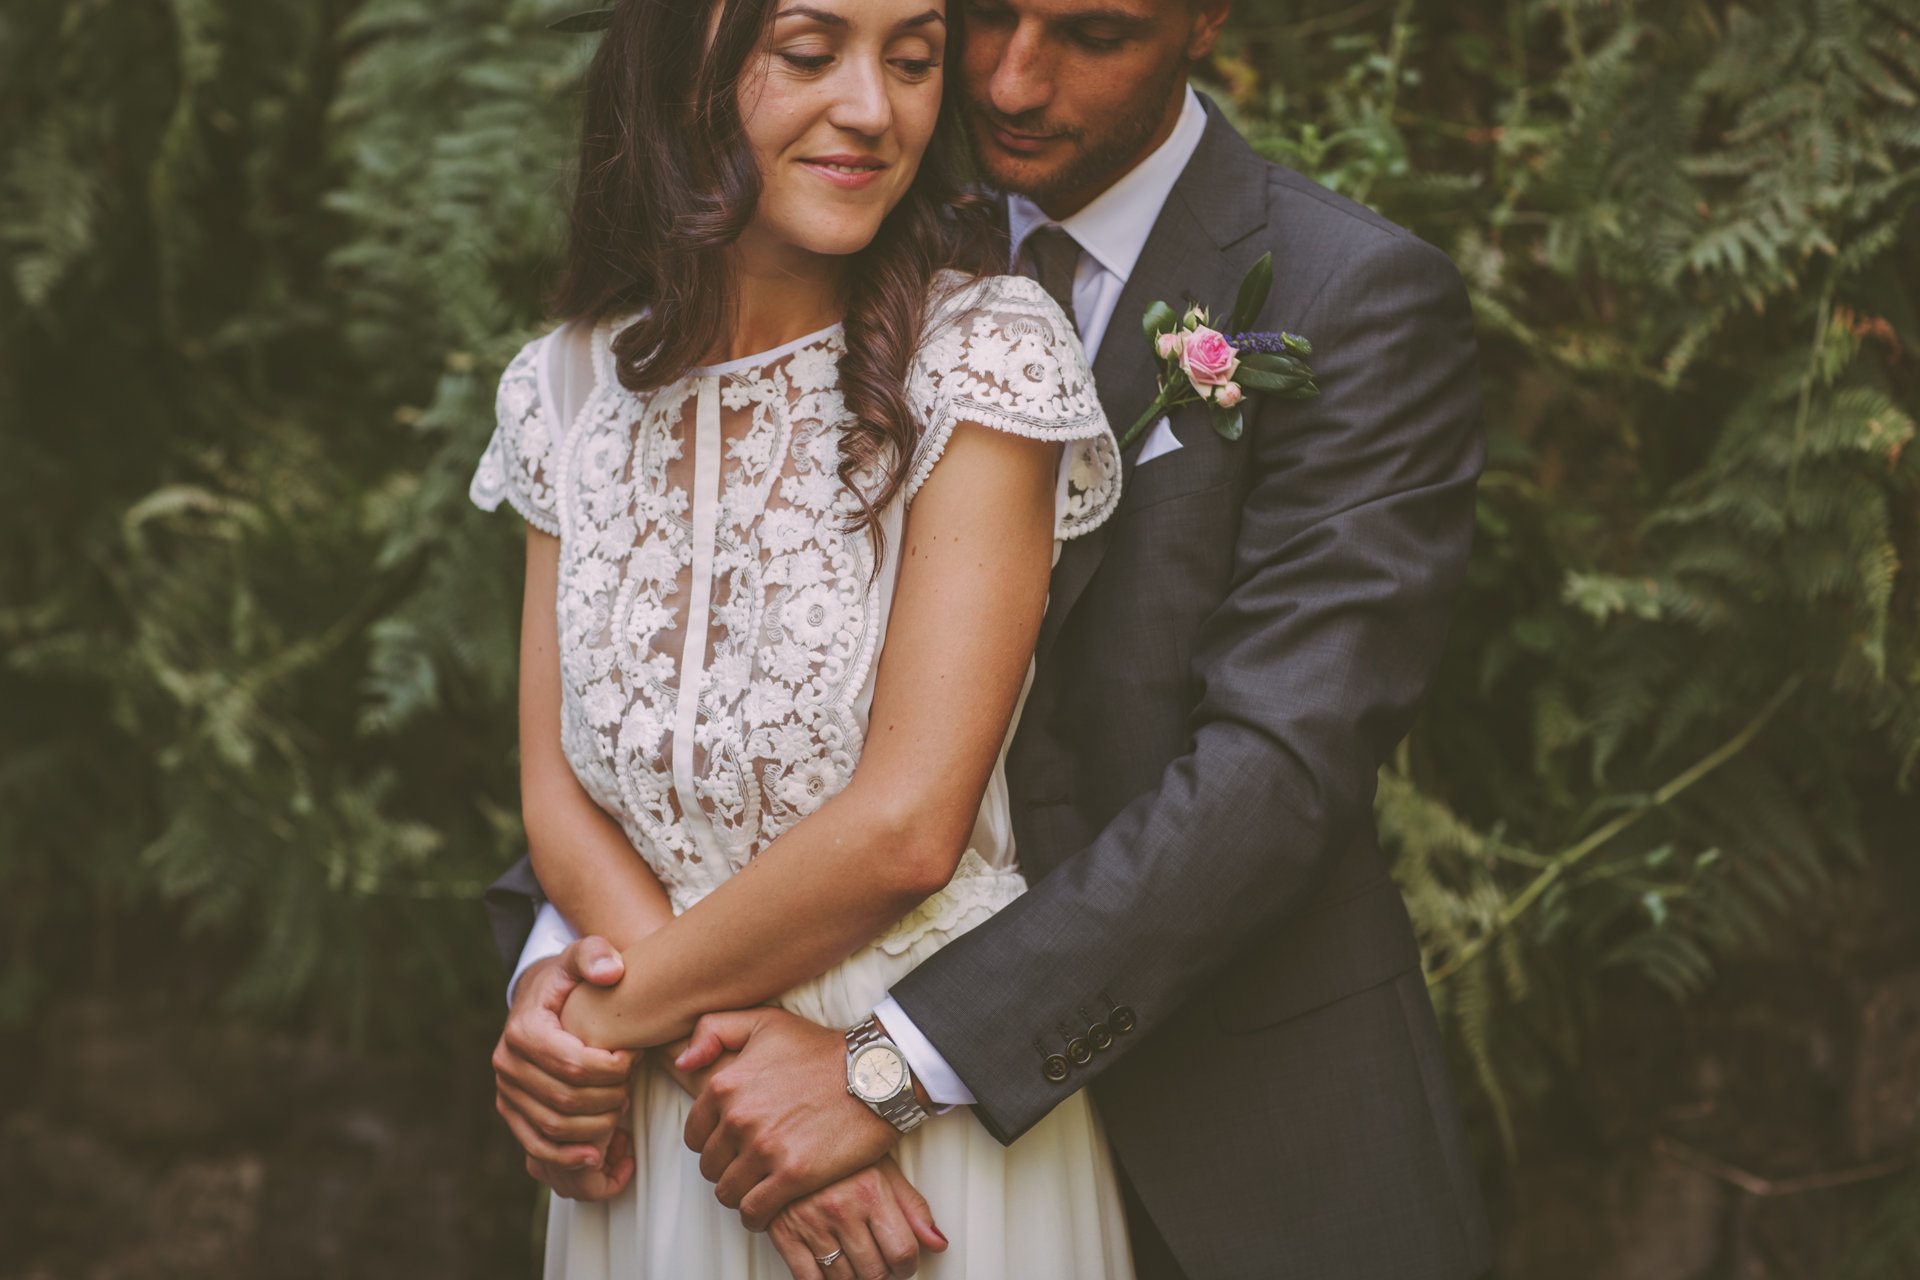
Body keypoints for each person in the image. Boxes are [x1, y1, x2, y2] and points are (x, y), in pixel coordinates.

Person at [490, 0, 1497, 1277]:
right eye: (982, 19)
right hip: (746, 1107)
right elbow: (673, 681)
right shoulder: (844, 212)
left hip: (1222, 1134)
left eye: (1091, 32)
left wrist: (876, 1067)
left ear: (1203, 20)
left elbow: (1277, 772)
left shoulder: (1342, 294)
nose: (1011, 80)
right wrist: (577, 989)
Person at [472, 0, 1139, 1274]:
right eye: (808, 52)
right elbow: (557, 796)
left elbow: (905, 826)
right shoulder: (559, 387)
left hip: (897, 1097)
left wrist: (602, 1016)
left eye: (911, 59)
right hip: (669, 1123)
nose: (873, 111)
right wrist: (717, 1081)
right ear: (682, 75)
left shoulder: (983, 356)